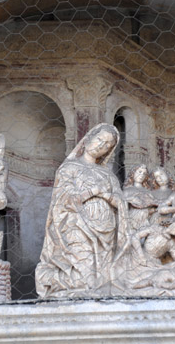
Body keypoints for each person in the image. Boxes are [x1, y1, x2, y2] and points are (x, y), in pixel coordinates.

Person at [35, 124, 129, 298]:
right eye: (100, 139)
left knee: (104, 282)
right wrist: (93, 192)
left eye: (108, 145)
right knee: (86, 281)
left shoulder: (108, 175)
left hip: (107, 233)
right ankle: (46, 278)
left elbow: (120, 202)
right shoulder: (69, 168)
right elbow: (64, 200)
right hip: (77, 228)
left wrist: (106, 195)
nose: (102, 145)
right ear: (87, 140)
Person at [123, 164, 157, 234]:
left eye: (144, 173)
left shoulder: (148, 192)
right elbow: (123, 208)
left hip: (146, 220)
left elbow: (154, 205)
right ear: (133, 173)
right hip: (132, 220)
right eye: (139, 172)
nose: (141, 175)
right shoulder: (127, 190)